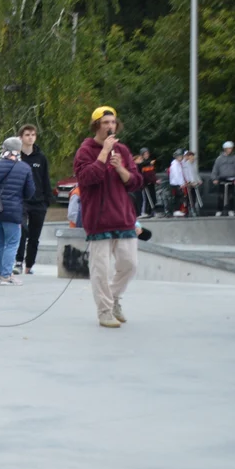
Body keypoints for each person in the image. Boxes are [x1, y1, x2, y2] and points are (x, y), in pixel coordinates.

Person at [74, 106, 143, 328]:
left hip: (123, 216)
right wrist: (103, 154)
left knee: (130, 264)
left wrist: (121, 169)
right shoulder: (85, 150)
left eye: (113, 122)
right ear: (96, 125)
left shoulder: (122, 150)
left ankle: (113, 298)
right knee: (100, 269)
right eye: (105, 122)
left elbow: (136, 182)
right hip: (98, 218)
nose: (110, 126)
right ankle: (104, 310)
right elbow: (86, 179)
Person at [0, 136, 36, 285]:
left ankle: (1, 274)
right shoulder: (24, 168)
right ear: (19, 150)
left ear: (4, 148)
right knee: (11, 243)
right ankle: (6, 275)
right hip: (14, 212)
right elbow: (30, 192)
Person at [16, 124, 54, 274]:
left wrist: (47, 200)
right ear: (21, 138)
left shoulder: (41, 157)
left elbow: (45, 178)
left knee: (34, 235)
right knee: (22, 230)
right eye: (27, 135)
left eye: (33, 135)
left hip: (38, 202)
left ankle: (29, 265)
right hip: (21, 201)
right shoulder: (17, 157)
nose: (30, 137)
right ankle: (18, 261)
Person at [212, 141, 235, 216]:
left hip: (231, 178)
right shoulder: (219, 158)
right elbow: (215, 168)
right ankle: (219, 210)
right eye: (228, 149)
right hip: (222, 178)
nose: (229, 150)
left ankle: (231, 210)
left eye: (231, 148)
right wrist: (214, 178)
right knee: (221, 195)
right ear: (224, 149)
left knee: (231, 195)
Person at [133, 148, 158, 218]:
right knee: (141, 198)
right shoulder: (137, 165)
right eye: (139, 159)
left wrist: (154, 180)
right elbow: (143, 168)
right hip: (141, 184)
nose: (140, 161)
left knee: (146, 198)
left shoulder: (141, 165)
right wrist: (149, 163)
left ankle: (144, 212)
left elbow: (151, 173)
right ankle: (142, 212)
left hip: (144, 183)